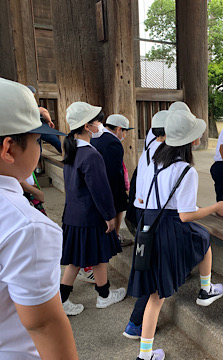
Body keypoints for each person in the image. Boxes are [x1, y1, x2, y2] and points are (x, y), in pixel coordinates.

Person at [128, 110, 223, 360]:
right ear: (191, 141)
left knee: (156, 295)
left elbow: (145, 198)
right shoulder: (186, 170)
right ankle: (205, 290)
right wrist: (217, 207)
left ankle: (145, 354)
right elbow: (186, 215)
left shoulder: (154, 160)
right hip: (170, 228)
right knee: (203, 237)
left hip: (148, 224)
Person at [0, 78, 78, 359]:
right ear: (8, 148)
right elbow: (43, 324)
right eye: (36, 140)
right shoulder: (26, 226)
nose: (39, 148)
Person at [60, 101, 126, 316]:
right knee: (97, 256)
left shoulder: (71, 151)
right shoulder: (91, 155)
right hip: (91, 215)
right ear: (88, 126)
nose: (100, 125)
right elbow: (100, 190)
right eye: (97, 121)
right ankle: (103, 296)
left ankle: (94, 295)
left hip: (73, 214)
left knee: (79, 259)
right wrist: (109, 216)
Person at [123, 109, 169, 340]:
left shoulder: (148, 151)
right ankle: (135, 324)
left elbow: (139, 194)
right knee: (155, 276)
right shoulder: (167, 155)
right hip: (158, 220)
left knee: (150, 270)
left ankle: (136, 323)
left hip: (145, 216)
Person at [91, 114, 134, 246]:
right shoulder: (113, 142)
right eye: (125, 131)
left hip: (96, 184)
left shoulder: (96, 138)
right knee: (118, 207)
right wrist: (120, 191)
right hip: (110, 185)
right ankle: (114, 239)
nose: (125, 135)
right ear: (119, 129)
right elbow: (114, 171)